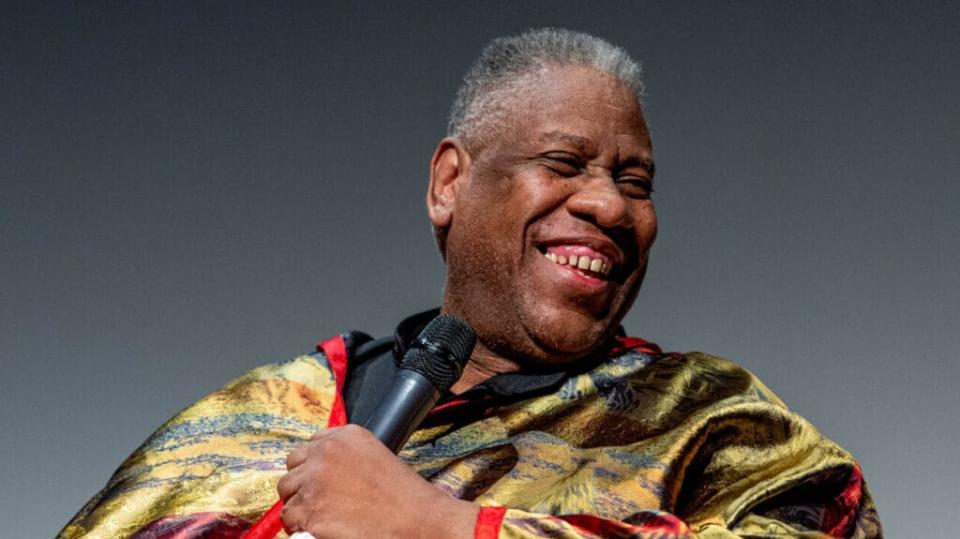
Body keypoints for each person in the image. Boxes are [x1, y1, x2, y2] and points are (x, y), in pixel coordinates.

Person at [59, 28, 882, 539]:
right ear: (450, 183)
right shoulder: (266, 412)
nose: (607, 203)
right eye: (564, 163)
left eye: (637, 182)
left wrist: (444, 527)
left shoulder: (708, 421)